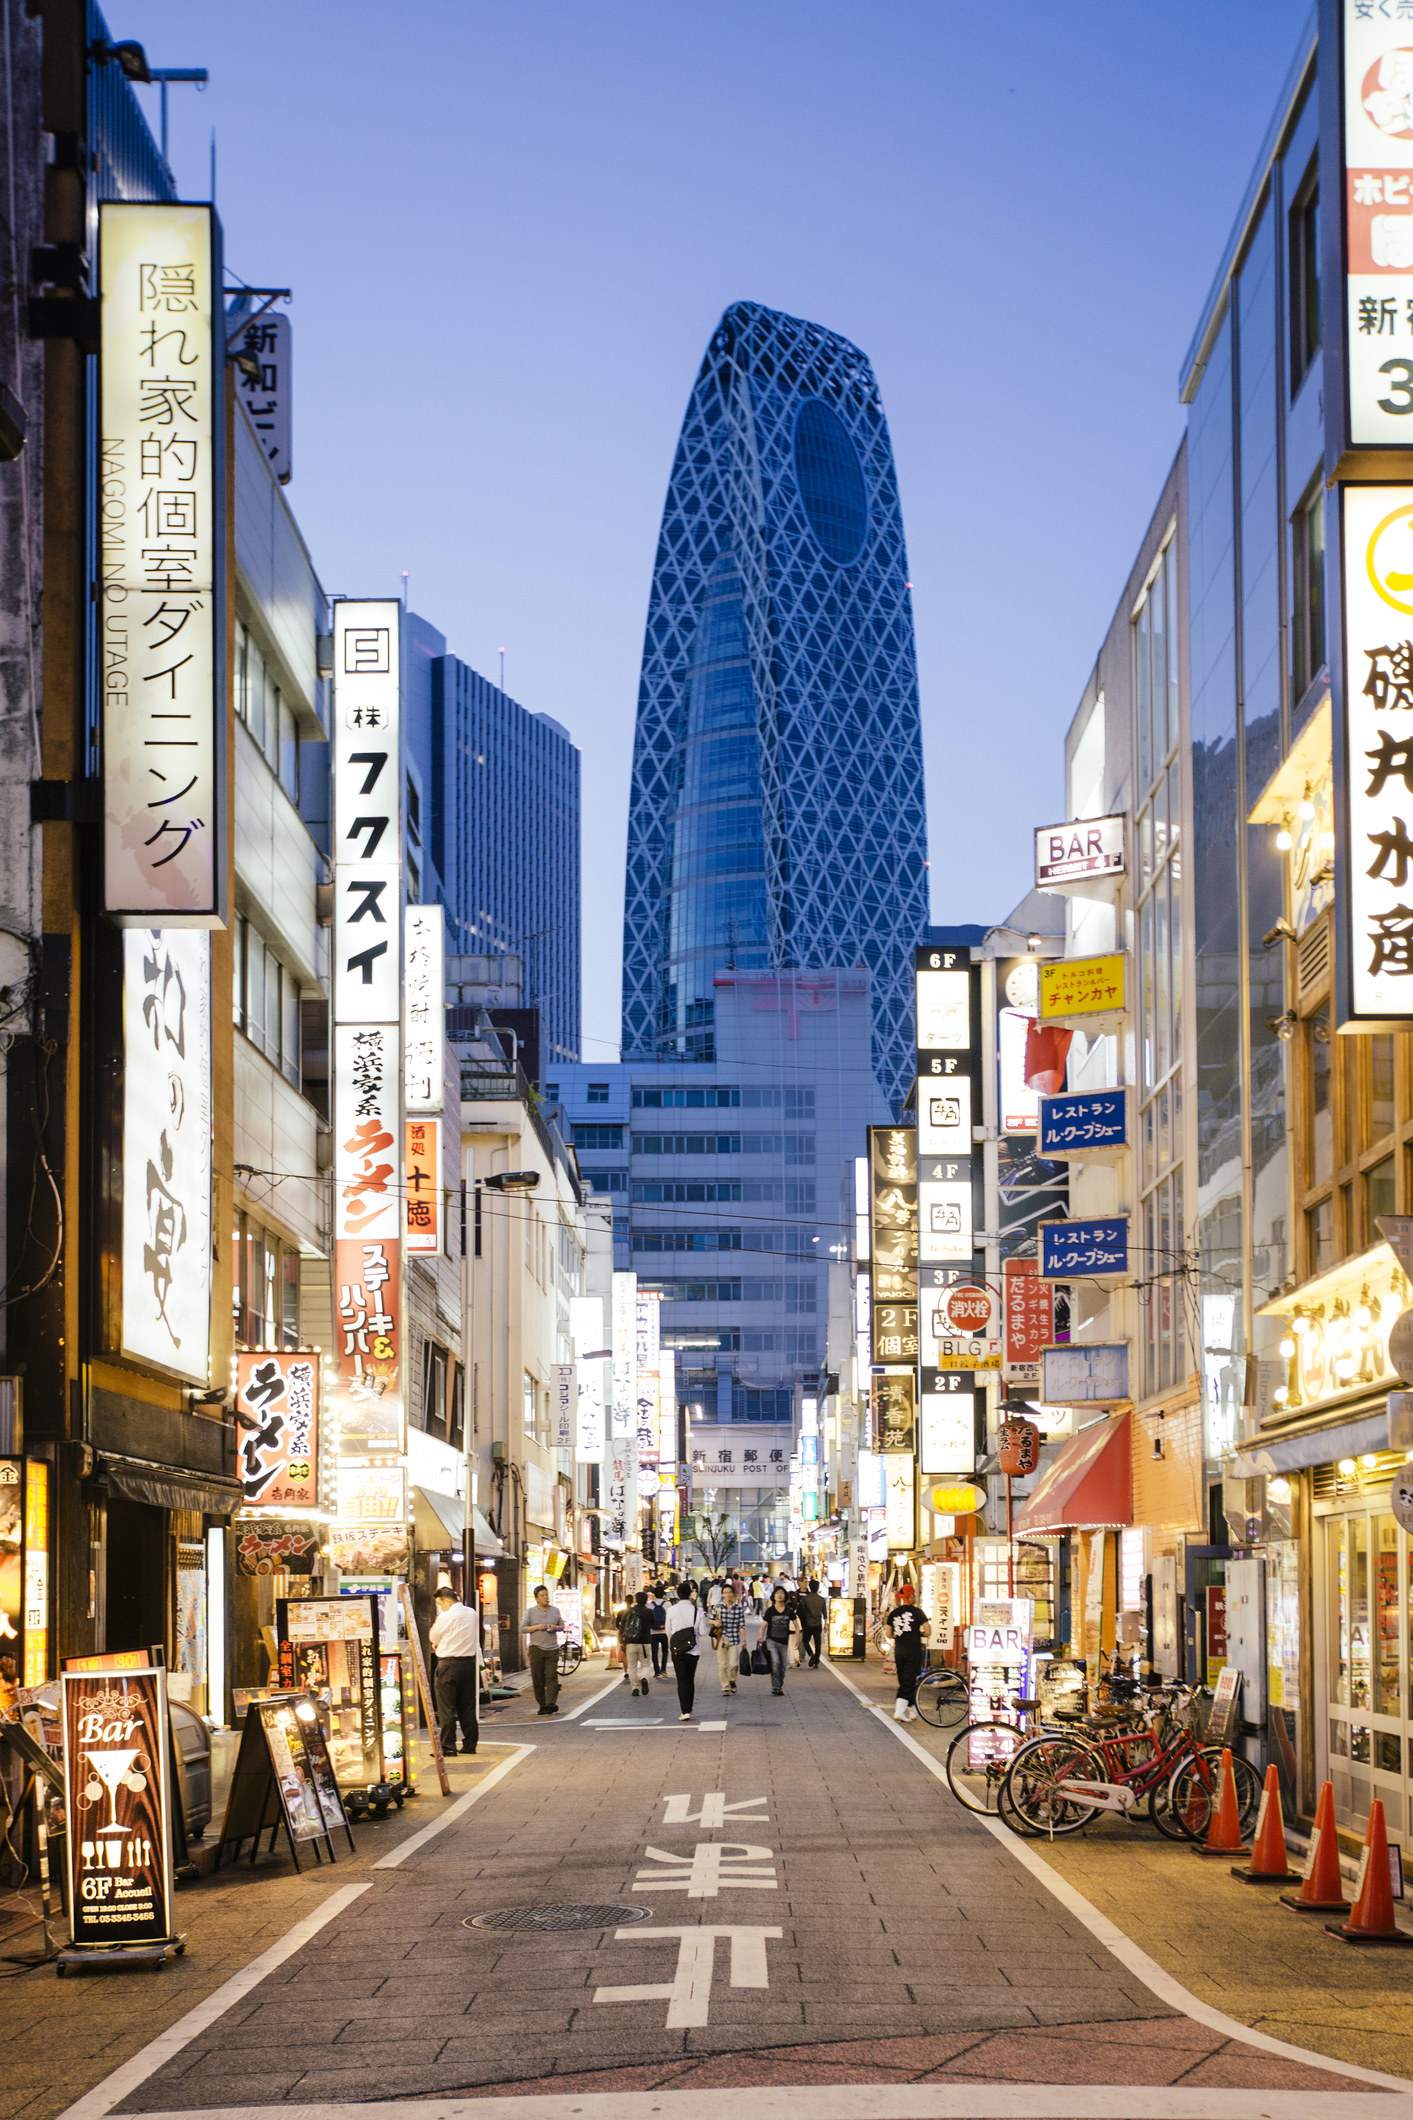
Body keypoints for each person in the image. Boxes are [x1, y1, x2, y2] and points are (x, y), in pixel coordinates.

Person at [429, 1585, 480, 1755]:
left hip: (448, 1665)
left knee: (447, 1708)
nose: (440, 1607)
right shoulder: (472, 1613)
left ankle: (448, 1746)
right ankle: (470, 1744)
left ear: (448, 1600)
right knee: (467, 1706)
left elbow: (433, 1636)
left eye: (440, 1603)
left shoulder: (447, 1616)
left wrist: (439, 1642)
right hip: (468, 1664)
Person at [665, 1578, 711, 1721]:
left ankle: (684, 1710)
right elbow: (703, 1632)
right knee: (690, 1680)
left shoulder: (671, 1610)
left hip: (677, 1650)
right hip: (693, 1650)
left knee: (681, 1680)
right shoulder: (697, 1611)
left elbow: (668, 1631)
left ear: (677, 1595)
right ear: (690, 1594)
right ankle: (689, 1709)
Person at [883, 1584, 930, 1721]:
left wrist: (900, 1635)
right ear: (910, 1596)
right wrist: (919, 1633)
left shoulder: (894, 1613)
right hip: (913, 1651)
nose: (915, 1596)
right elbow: (928, 1631)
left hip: (899, 1651)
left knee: (905, 1681)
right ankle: (899, 1712)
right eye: (914, 1594)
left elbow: (889, 1633)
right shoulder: (918, 1612)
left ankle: (913, 1710)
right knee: (908, 1682)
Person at [521, 1584, 565, 1715]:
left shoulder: (555, 1610)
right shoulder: (530, 1612)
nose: (546, 1598)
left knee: (552, 1676)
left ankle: (551, 1703)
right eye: (542, 1596)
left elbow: (562, 1625)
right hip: (536, 1648)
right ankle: (542, 1704)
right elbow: (522, 1628)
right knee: (538, 1678)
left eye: (546, 1595)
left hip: (552, 1648)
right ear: (536, 1598)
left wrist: (555, 1627)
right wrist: (537, 1627)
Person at [761, 1584, 799, 1696]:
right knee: (775, 1662)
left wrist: (797, 1640)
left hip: (784, 1641)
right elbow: (763, 1626)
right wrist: (760, 1637)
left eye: (782, 1593)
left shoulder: (789, 1611)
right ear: (774, 1596)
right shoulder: (770, 1611)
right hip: (771, 1640)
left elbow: (796, 1626)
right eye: (777, 1593)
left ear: (785, 1596)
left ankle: (779, 1685)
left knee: (782, 1666)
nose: (780, 1595)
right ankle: (776, 1687)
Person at [712, 1582, 745, 1696]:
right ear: (722, 1595)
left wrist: (744, 1640)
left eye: (730, 1592)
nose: (728, 1594)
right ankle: (725, 1686)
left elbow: (741, 1625)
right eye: (725, 1592)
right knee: (722, 1665)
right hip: (721, 1639)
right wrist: (715, 1622)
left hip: (734, 1639)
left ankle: (732, 1680)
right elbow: (710, 1619)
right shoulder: (718, 1607)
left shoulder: (738, 1608)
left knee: (734, 1664)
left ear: (733, 1594)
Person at [618, 1588, 652, 1696]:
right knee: (645, 1664)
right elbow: (653, 1623)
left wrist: (622, 1641)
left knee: (632, 1666)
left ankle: (635, 1688)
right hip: (644, 1642)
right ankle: (644, 1678)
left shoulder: (627, 1612)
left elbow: (622, 1627)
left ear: (636, 1600)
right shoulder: (648, 1612)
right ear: (646, 1601)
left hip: (630, 1643)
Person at [796, 1578, 826, 1669]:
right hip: (818, 1624)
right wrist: (826, 1625)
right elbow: (825, 1613)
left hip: (807, 1623)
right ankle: (816, 1662)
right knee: (818, 1643)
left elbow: (802, 1611)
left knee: (805, 1641)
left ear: (810, 1587)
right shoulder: (821, 1599)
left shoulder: (805, 1599)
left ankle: (811, 1655)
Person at [648, 1583, 669, 1677]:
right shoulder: (667, 1604)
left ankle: (657, 1671)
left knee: (654, 1652)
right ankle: (663, 1670)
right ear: (663, 1595)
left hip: (653, 1632)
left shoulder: (650, 1605)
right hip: (665, 1631)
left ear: (654, 1594)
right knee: (665, 1651)